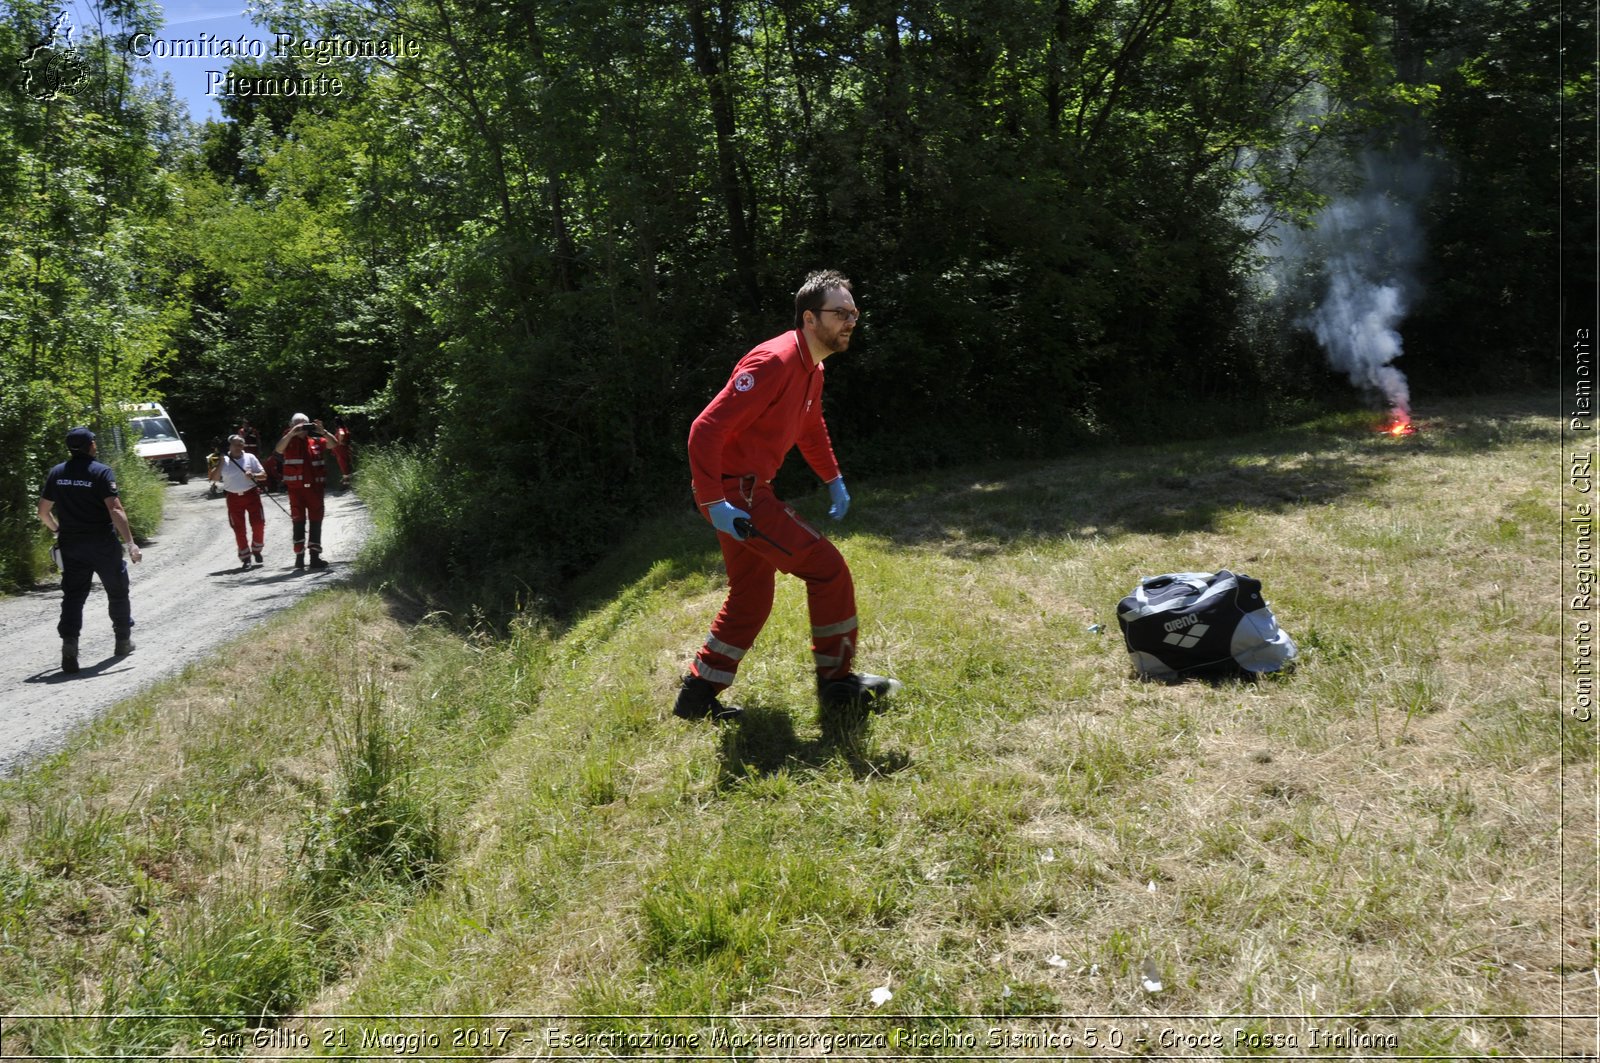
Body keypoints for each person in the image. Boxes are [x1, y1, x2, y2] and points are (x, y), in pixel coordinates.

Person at [675, 269, 901, 724]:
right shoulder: (774, 362)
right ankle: (837, 685)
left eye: (854, 312)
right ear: (809, 318)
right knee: (828, 570)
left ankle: (697, 695)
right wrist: (715, 502)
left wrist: (832, 477)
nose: (851, 321)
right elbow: (705, 429)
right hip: (737, 496)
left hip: (746, 490)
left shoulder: (812, 369)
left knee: (750, 595)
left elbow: (811, 428)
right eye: (841, 313)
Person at [36, 426, 142, 674]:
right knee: (117, 591)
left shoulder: (57, 473)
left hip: (71, 545)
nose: (96, 444)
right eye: (93, 441)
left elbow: (42, 511)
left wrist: (57, 530)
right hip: (102, 544)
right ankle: (123, 641)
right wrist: (130, 543)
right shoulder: (101, 472)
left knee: (73, 596)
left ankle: (70, 646)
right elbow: (115, 510)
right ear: (89, 446)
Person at [275, 413, 336, 569]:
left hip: (315, 490)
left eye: (305, 425)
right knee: (298, 520)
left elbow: (334, 444)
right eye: (298, 424)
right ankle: (299, 557)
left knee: (316, 520)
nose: (302, 428)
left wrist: (323, 431)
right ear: (291, 426)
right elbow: (279, 449)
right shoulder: (288, 441)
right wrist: (292, 432)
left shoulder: (315, 442)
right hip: (296, 490)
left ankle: (315, 557)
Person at [211, 434, 268, 569]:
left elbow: (264, 475)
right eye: (236, 444)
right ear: (229, 445)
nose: (238, 447)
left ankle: (257, 549)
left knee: (258, 524)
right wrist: (220, 462)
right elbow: (214, 478)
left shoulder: (250, 457)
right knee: (238, 528)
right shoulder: (223, 459)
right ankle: (245, 557)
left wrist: (253, 475)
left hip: (251, 494)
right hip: (233, 497)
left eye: (241, 444)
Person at [331, 414, 354, 487]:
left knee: (343, 465)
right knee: (347, 464)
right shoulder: (345, 428)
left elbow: (342, 434)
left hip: (341, 450)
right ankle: (346, 482)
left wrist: (340, 441)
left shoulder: (340, 429)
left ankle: (345, 483)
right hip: (344, 449)